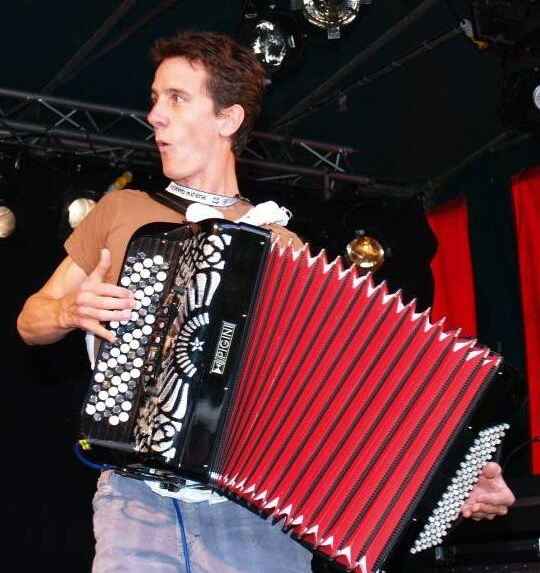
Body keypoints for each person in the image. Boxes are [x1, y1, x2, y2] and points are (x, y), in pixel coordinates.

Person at [17, 31, 514, 573]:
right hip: (137, 503)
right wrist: (67, 311)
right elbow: (29, 320)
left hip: (252, 514)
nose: (155, 115)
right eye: (155, 98)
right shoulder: (122, 211)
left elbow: (348, 396)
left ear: (228, 119)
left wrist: (450, 479)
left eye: (176, 98)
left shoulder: (283, 246)